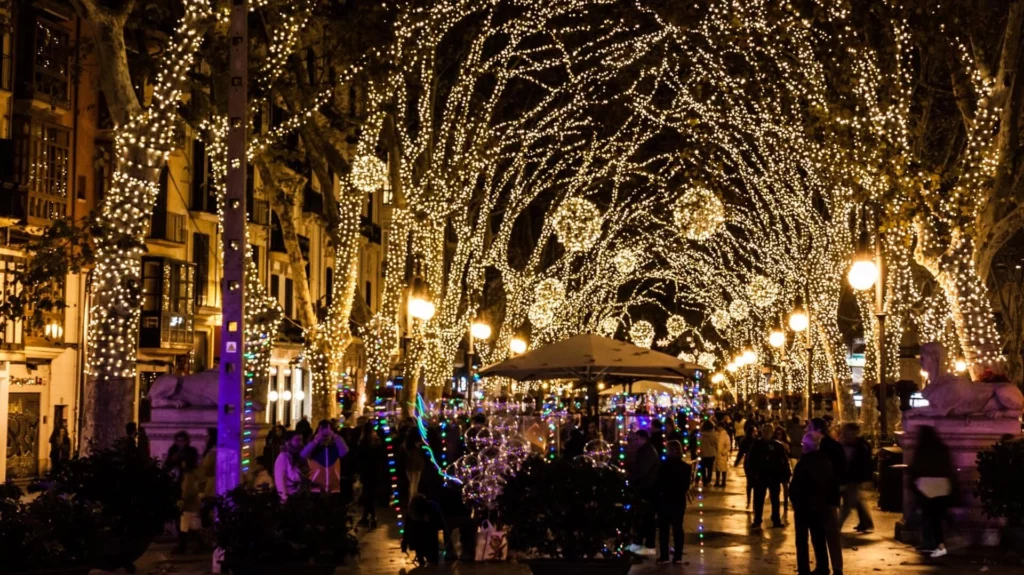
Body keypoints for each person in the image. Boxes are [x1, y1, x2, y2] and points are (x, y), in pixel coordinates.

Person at [791, 433, 836, 575]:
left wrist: (795, 501)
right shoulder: (826, 462)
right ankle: (823, 567)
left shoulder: (803, 463)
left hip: (804, 507)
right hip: (820, 506)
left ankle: (804, 569)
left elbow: (796, 486)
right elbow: (831, 484)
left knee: (802, 541)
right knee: (819, 538)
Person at [908, 425, 956, 558]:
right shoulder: (942, 448)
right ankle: (941, 541)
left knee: (927, 516)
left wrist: (912, 480)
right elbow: (949, 467)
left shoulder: (922, 449)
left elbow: (916, 467)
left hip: (926, 486)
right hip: (942, 485)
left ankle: (929, 542)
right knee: (938, 516)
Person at [807, 418, 844, 574]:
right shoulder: (818, 446)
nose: (807, 431)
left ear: (818, 430)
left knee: (829, 533)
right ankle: (825, 565)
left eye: (809, 428)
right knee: (818, 533)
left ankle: (835, 567)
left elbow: (839, 471)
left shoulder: (829, 447)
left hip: (826, 496)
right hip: (821, 496)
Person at [655, 440, 692, 565]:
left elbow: (658, 484)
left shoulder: (663, 466)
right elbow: (686, 486)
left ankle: (664, 555)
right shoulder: (686, 467)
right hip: (678, 501)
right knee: (677, 528)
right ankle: (678, 555)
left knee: (664, 529)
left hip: (665, 500)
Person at [748, 423, 790, 529]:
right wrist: (753, 475)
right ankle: (758, 519)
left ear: (772, 433)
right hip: (761, 476)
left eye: (769, 431)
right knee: (759, 500)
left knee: (775, 499)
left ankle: (775, 520)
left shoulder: (778, 445)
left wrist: (785, 476)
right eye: (765, 431)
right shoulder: (756, 445)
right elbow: (750, 461)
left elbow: (784, 461)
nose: (767, 433)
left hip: (773, 476)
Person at [627, 429, 660, 556]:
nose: (634, 442)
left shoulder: (646, 451)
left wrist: (630, 479)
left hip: (647, 489)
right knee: (645, 518)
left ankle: (648, 545)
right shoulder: (648, 450)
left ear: (641, 439)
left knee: (646, 518)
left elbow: (641, 471)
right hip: (648, 488)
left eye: (636, 439)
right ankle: (641, 543)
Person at [839, 423, 874, 533]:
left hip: (853, 478)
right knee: (856, 500)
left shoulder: (861, 446)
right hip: (846, 477)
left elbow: (863, 464)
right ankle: (866, 523)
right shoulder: (846, 443)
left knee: (847, 504)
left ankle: (836, 526)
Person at [308, 420, 350, 493]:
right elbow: (304, 454)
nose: (325, 432)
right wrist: (317, 440)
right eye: (322, 429)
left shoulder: (336, 444)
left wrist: (334, 436)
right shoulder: (314, 444)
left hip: (333, 487)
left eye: (328, 429)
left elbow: (344, 452)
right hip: (316, 487)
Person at [356, 421, 384, 527]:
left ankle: (369, 517)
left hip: (366, 471)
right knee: (369, 494)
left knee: (367, 494)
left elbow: (360, 458)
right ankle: (369, 517)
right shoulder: (376, 441)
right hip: (375, 471)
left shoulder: (363, 442)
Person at [274, 430, 315, 500]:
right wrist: (284, 498)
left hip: (302, 495)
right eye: (297, 440)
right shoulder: (283, 457)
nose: (300, 443)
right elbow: (280, 480)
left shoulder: (301, 456)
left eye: (301, 440)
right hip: (291, 496)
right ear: (288, 442)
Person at [734, 425, 759, 508]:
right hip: (748, 463)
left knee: (756, 483)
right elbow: (741, 452)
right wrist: (737, 461)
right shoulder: (745, 441)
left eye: (756, 431)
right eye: (754, 431)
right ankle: (749, 500)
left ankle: (754, 501)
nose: (756, 433)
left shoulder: (758, 441)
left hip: (757, 463)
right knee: (750, 482)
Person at [403, 433, 427, 504]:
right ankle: (412, 504)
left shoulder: (406, 444)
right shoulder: (417, 445)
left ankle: (410, 502)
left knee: (411, 485)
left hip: (408, 466)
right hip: (416, 466)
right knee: (414, 486)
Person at [698, 420, 717, 487]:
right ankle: (708, 481)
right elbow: (715, 443)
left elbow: (698, 443)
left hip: (703, 453)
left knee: (703, 468)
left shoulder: (700, 434)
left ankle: (704, 481)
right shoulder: (714, 434)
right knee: (710, 468)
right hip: (711, 453)